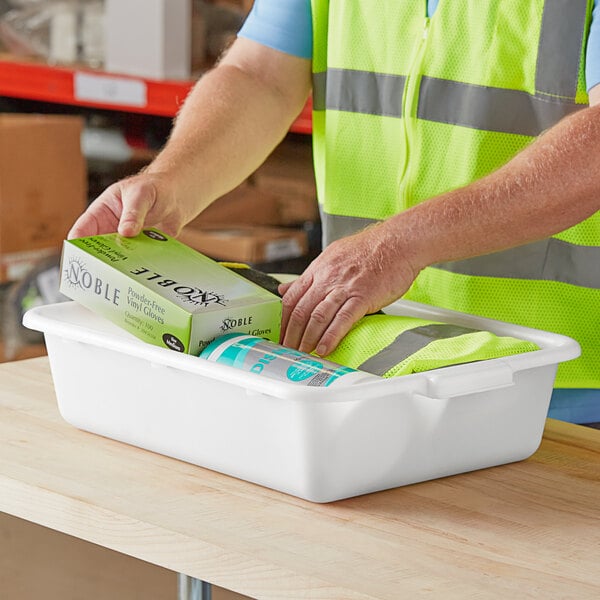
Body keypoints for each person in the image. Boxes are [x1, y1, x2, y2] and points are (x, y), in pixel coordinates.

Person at [69, 1, 600, 424]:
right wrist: (171, 181)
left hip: (560, 383)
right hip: (370, 363)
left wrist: (403, 244)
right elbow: (259, 75)